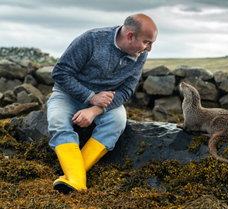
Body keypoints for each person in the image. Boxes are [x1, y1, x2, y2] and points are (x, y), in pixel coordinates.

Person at [47, 13, 158, 194]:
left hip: (104, 103)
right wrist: (91, 97)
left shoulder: (140, 54)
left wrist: (95, 109)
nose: (149, 48)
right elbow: (60, 73)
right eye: (147, 42)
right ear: (130, 36)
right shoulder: (91, 40)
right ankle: (79, 181)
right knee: (58, 120)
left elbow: (126, 91)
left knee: (118, 121)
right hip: (66, 95)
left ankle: (74, 178)